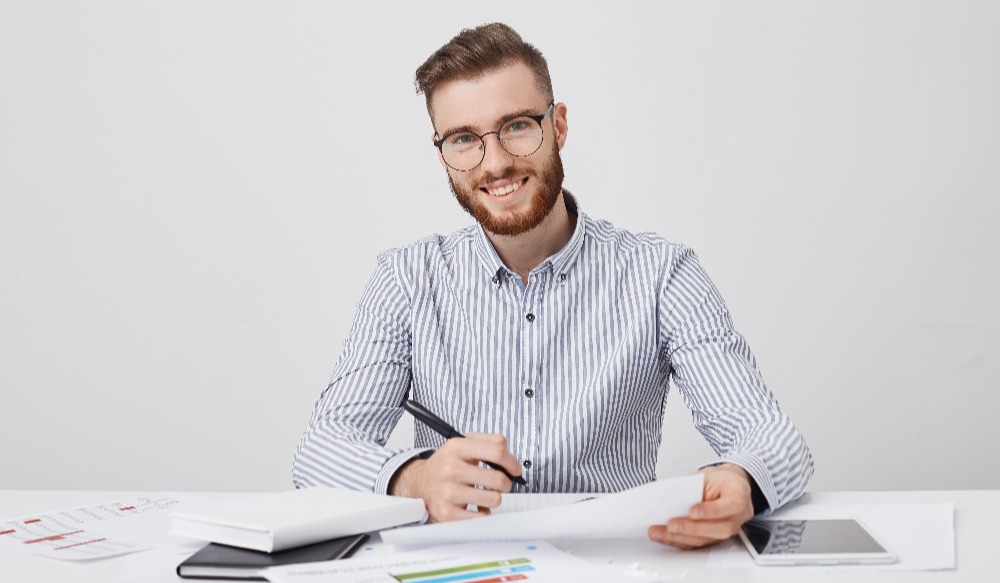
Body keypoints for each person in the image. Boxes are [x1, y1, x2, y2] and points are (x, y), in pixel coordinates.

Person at [292, 22, 813, 549]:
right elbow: (319, 451)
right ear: (442, 153)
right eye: (464, 139)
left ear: (558, 126)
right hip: (460, 564)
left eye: (517, 126)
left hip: (613, 564)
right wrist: (414, 479)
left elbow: (772, 437)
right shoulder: (405, 280)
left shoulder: (661, 274)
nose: (494, 163)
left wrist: (742, 479)